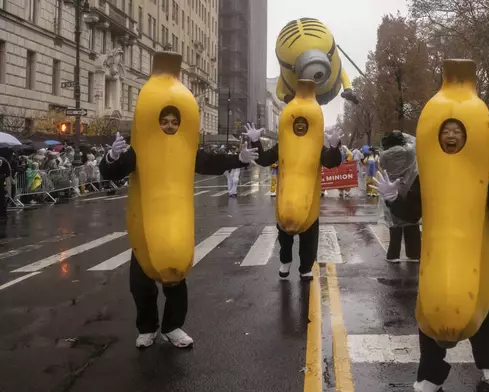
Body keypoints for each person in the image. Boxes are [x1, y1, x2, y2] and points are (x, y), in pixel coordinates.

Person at [372, 118, 489, 392]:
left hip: (474, 256)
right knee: (431, 308)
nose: (452, 136)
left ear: (466, 138)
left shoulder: (481, 173)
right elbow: (412, 213)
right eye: (446, 132)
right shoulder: (428, 174)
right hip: (438, 255)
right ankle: (431, 374)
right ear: (439, 139)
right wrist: (393, 198)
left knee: (481, 306)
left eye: (457, 131)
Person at [99, 124, 258, 349]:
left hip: (174, 223)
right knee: (140, 284)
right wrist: (113, 156)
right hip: (146, 225)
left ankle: (172, 326)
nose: (170, 125)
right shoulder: (140, 149)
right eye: (164, 120)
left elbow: (210, 163)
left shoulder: (185, 149)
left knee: (176, 277)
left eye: (174, 120)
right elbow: (112, 172)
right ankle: (147, 328)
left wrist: (239, 159)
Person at [242, 123, 342, 281]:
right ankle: (285, 260)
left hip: (308, 195)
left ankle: (306, 267)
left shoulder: (315, 145)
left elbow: (331, 162)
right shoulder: (283, 144)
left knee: (309, 233)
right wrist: (255, 142)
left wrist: (334, 147)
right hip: (287, 194)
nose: (300, 130)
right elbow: (265, 159)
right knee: (284, 231)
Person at [376, 130, 420, 262]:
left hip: (390, 189)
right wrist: (404, 134)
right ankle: (413, 253)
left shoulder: (383, 157)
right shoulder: (409, 153)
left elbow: (381, 168)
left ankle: (393, 254)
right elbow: (416, 141)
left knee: (394, 224)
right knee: (411, 223)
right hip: (409, 189)